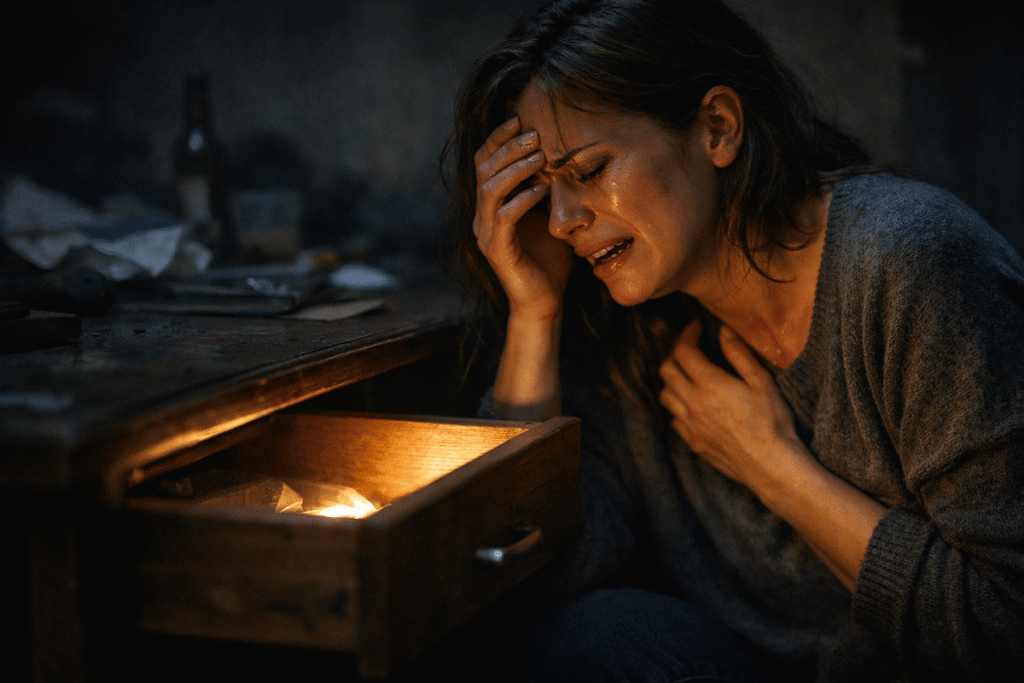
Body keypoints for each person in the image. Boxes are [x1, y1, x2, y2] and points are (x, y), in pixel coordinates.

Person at [440, 0, 1024, 681]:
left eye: (589, 172)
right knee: (585, 635)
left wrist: (772, 466)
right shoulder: (637, 324)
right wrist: (534, 314)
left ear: (718, 128)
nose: (564, 221)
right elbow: (534, 578)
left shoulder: (913, 265)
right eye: (542, 191)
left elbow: (1006, 623)